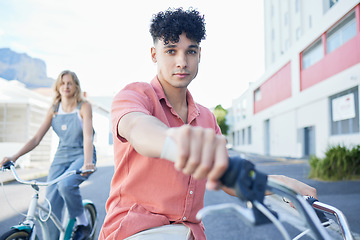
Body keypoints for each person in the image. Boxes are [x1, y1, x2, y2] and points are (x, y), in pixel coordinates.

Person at [99, 8, 317, 240]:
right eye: (171, 51)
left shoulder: (206, 117)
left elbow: (226, 177)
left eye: (190, 51)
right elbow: (136, 127)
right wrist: (178, 141)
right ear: (154, 54)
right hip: (134, 231)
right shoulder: (134, 95)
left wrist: (279, 183)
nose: (182, 62)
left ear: (199, 54)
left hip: (189, 234)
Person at [0, 70, 97, 240]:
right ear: (58, 87)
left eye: (69, 83)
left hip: (82, 154)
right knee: (51, 203)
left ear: (75, 86)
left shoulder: (84, 106)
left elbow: (88, 136)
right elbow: (37, 138)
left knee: (66, 185)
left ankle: (83, 223)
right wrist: (14, 157)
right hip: (61, 156)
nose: (66, 86)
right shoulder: (54, 109)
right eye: (62, 83)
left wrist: (88, 162)